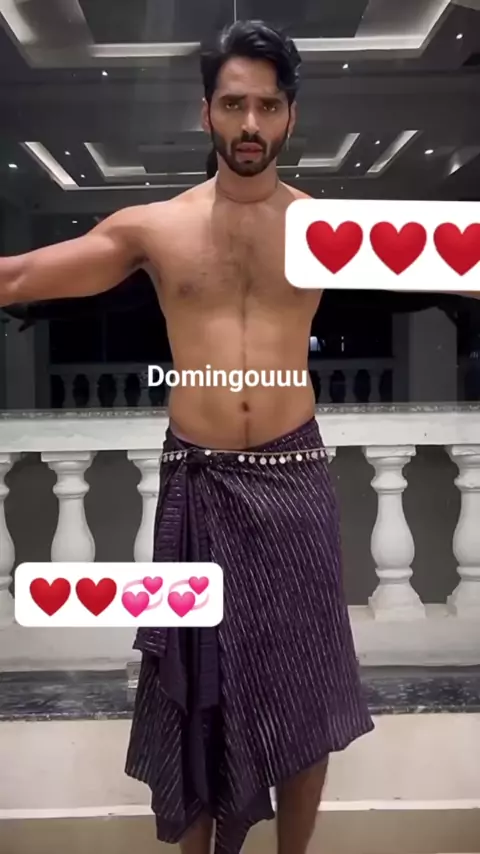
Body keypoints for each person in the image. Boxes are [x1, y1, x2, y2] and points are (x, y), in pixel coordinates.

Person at [4, 18, 476, 854]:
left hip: (295, 480)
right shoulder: (155, 228)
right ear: (207, 113)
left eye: (266, 106)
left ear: (290, 116)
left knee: (304, 694)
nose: (250, 124)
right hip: (196, 484)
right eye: (233, 105)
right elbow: (20, 276)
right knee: (193, 690)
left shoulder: (327, 230)